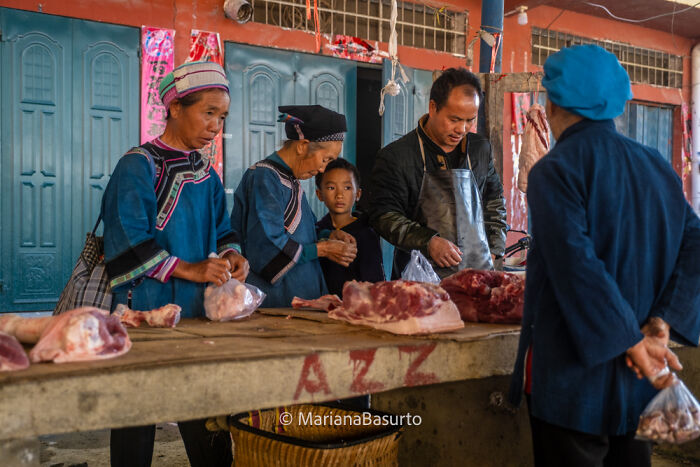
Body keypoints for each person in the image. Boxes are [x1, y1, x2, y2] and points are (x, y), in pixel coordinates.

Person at [507, 44, 700, 467]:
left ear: (553, 103)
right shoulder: (656, 166)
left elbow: (577, 268)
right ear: (616, 103)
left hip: (572, 383)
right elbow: (694, 244)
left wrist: (633, 343)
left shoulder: (554, 171)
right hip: (638, 381)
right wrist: (660, 323)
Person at [102, 61, 249, 467]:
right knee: (137, 412)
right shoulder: (138, 165)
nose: (216, 125)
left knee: (203, 408)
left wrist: (232, 256)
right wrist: (191, 268)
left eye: (222, 117)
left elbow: (224, 230)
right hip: (142, 309)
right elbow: (127, 238)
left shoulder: (207, 175)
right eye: (208, 113)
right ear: (174, 108)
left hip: (198, 313)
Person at [367, 67, 507, 279]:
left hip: (476, 276)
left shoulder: (480, 149)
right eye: (454, 119)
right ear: (433, 108)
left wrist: (495, 250)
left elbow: (493, 200)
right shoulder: (397, 156)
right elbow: (384, 215)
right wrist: (428, 241)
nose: (462, 129)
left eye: (470, 120)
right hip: (419, 277)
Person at [231, 105, 357, 307]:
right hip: (276, 304)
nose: (323, 169)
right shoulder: (265, 178)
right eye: (325, 159)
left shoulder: (292, 181)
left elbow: (303, 236)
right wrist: (322, 249)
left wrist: (328, 237)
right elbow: (266, 247)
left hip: (301, 301)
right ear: (302, 145)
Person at [315, 158, 385, 296]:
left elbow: (374, 284)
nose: (339, 195)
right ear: (319, 194)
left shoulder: (366, 234)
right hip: (319, 306)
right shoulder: (316, 231)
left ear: (358, 194)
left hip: (354, 310)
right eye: (331, 188)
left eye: (347, 188)